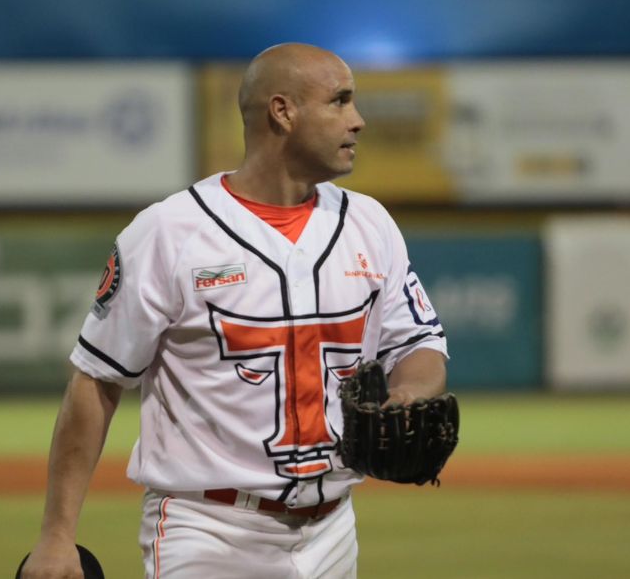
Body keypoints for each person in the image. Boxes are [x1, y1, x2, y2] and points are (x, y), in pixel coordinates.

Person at [22, 43, 449, 579]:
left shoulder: (370, 223)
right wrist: (58, 536)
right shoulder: (169, 232)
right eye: (339, 101)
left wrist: (409, 391)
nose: (358, 121)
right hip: (209, 529)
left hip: (334, 530)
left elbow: (418, 343)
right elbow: (96, 381)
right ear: (282, 111)